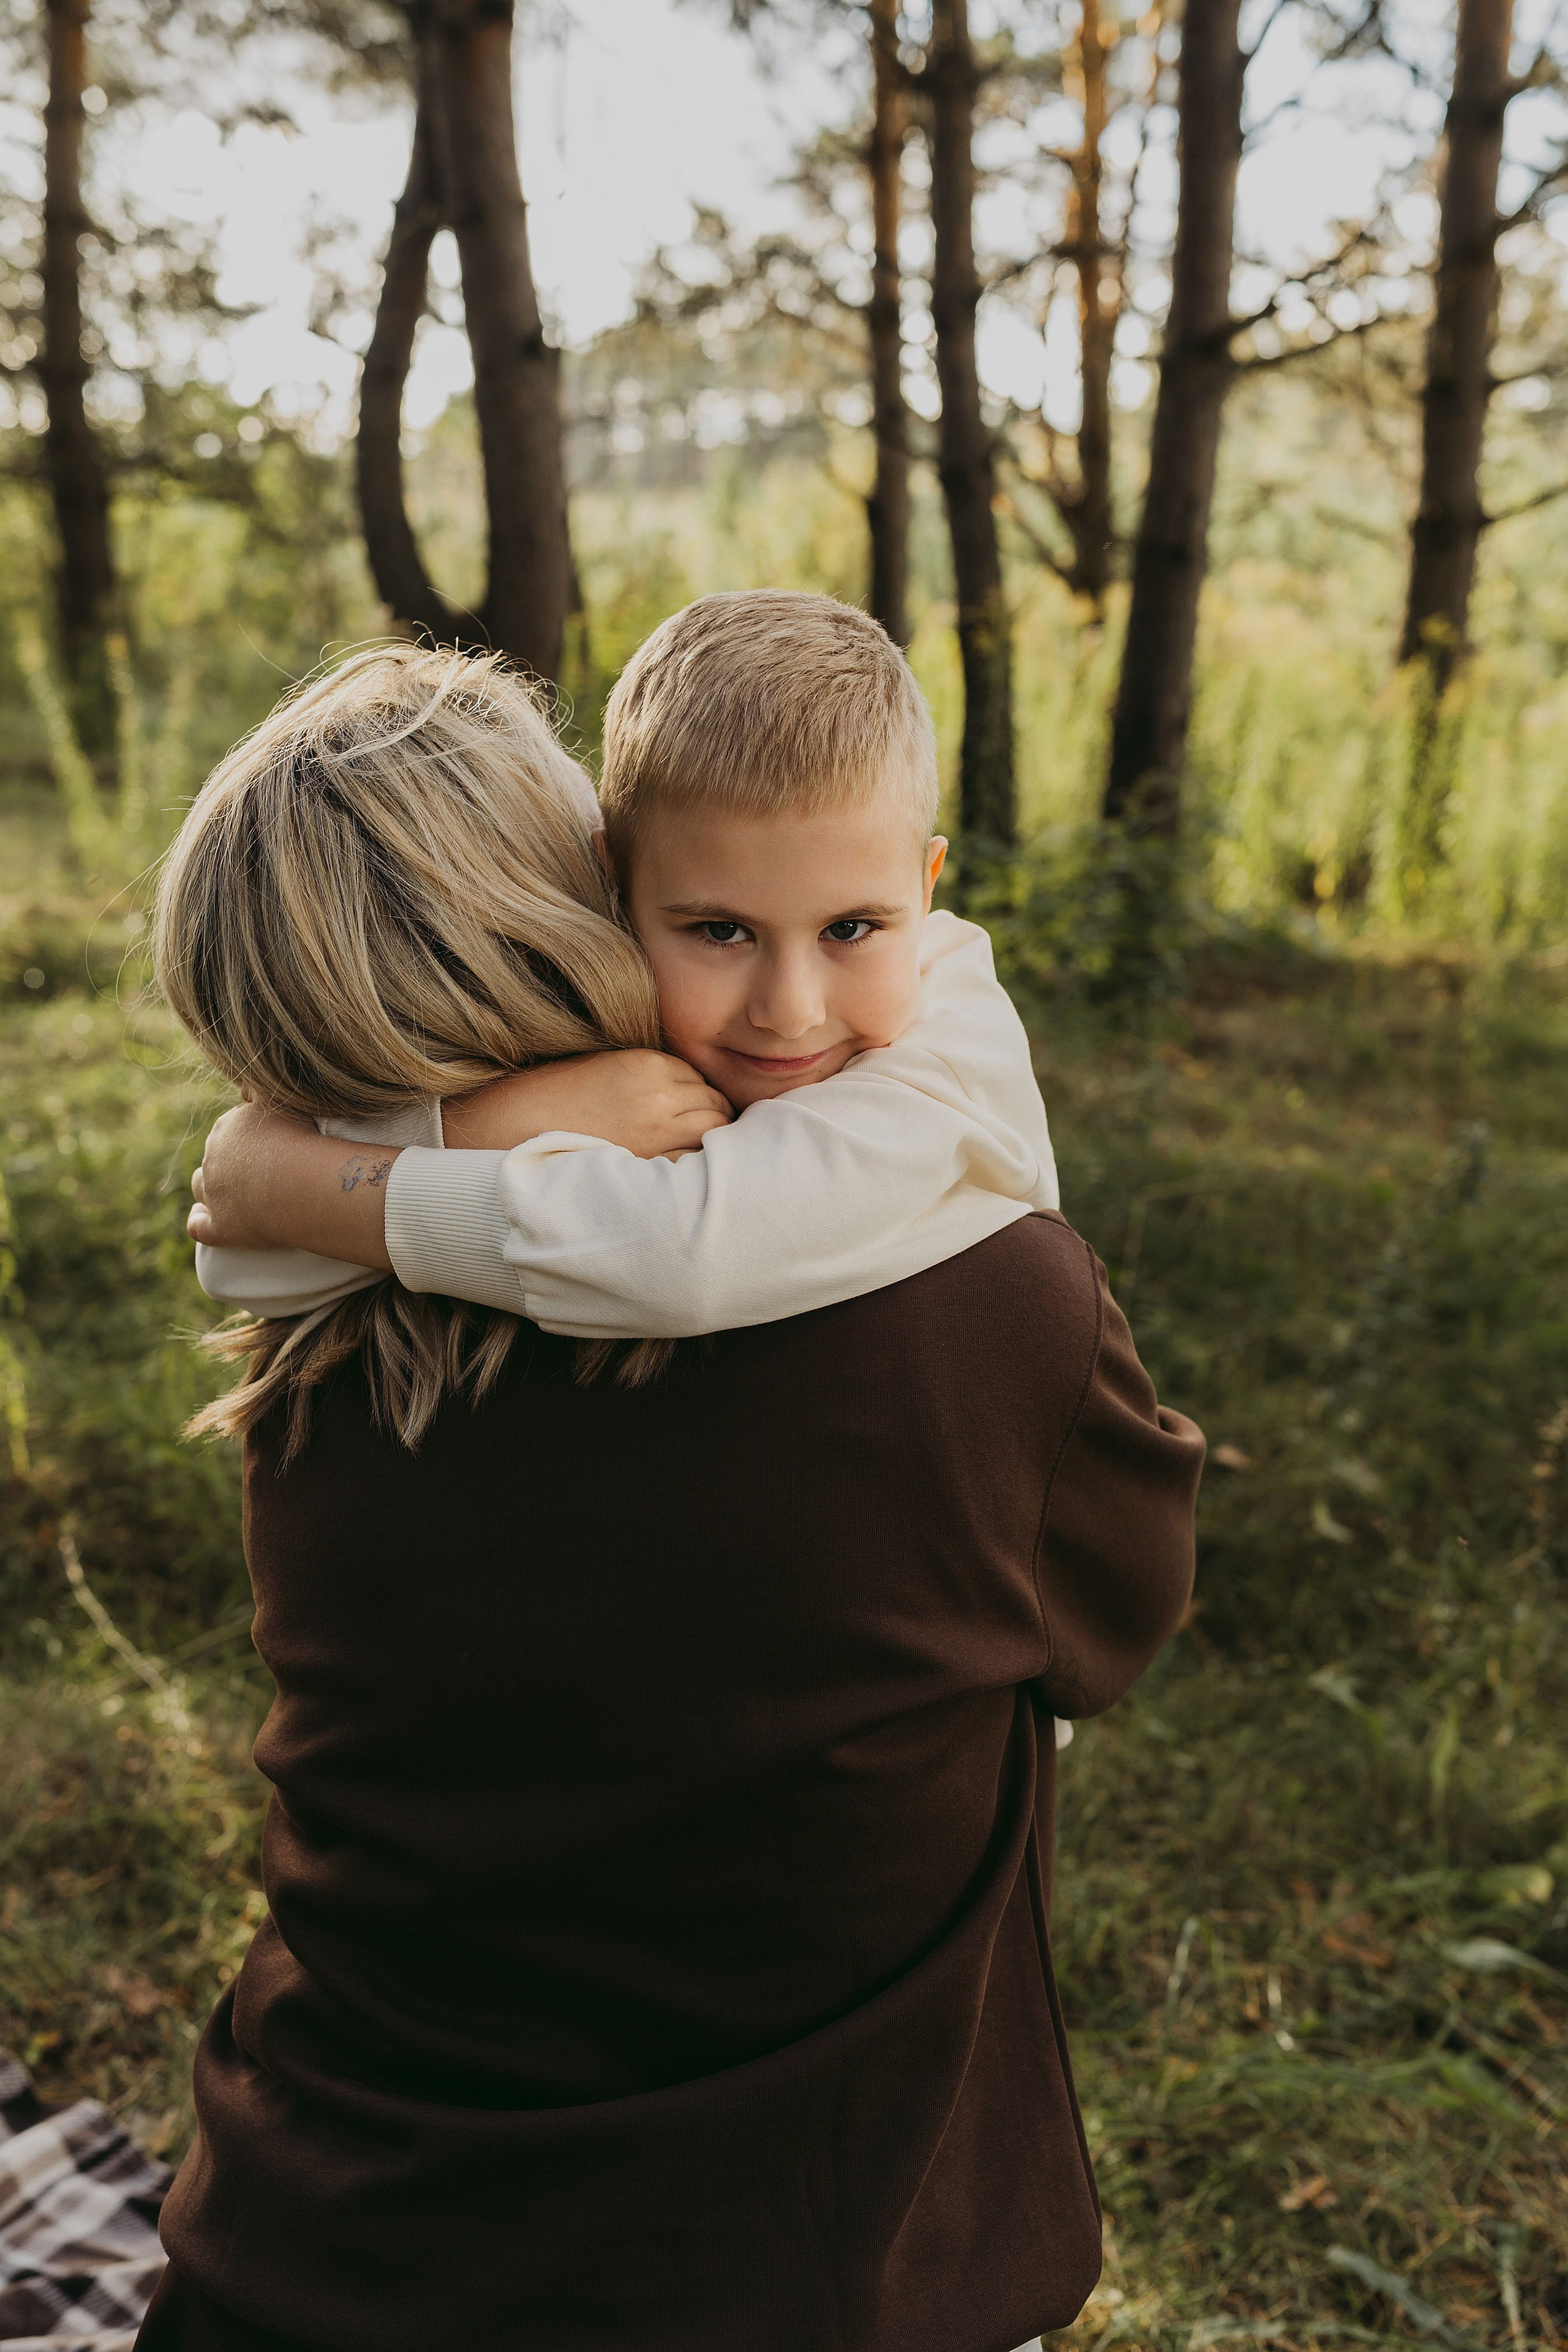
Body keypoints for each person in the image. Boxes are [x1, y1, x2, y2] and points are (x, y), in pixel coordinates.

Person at [140, 606, 1204, 2352]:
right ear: (594, 906)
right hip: (825, 2269)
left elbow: (251, 1201)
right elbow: (1117, 1615)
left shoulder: (309, 1343)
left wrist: (364, 1159)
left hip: (319, 2255)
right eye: (706, 923)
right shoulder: (993, 1306)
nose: (786, 997)